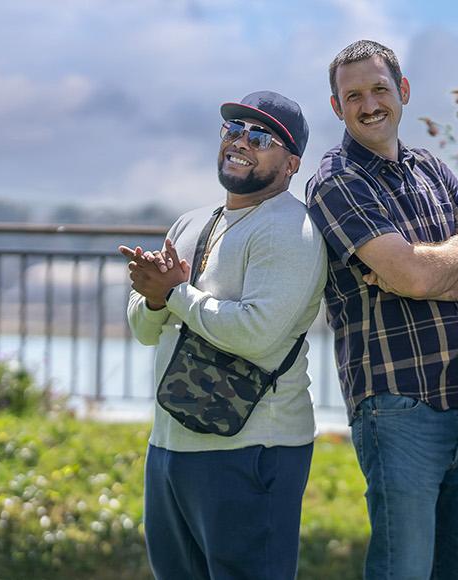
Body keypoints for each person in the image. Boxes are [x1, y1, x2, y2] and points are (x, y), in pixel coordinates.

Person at [305, 39, 458, 580]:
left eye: (380, 89)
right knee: (404, 570)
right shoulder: (335, 181)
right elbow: (421, 272)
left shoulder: (432, 170)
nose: (369, 104)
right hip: (395, 404)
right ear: (337, 107)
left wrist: (422, 276)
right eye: (353, 96)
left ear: (404, 92)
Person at [122, 90, 324, 579]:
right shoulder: (191, 222)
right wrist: (154, 299)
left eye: (261, 137)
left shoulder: (290, 229)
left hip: (253, 448)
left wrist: (174, 294)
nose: (241, 142)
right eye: (233, 129)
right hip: (170, 441)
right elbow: (144, 330)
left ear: (292, 164)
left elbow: (255, 332)